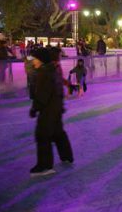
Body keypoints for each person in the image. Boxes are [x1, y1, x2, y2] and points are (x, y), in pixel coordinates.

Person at [29, 48, 74, 177]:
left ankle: (44, 166)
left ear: (41, 60)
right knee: (58, 133)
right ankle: (67, 156)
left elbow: (42, 95)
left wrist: (34, 108)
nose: (33, 62)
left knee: (42, 136)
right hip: (56, 109)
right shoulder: (53, 69)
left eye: (35, 59)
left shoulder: (45, 72)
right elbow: (57, 89)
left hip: (48, 111)